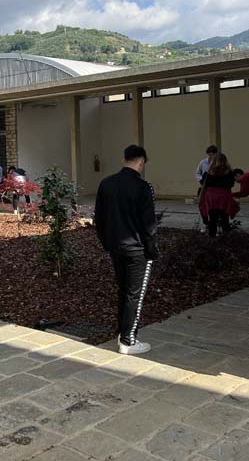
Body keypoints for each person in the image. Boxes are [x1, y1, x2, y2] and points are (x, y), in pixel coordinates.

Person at [94, 144, 158, 355]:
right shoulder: (143, 187)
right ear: (141, 162)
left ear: (124, 159)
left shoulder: (106, 184)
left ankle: (122, 332)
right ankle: (128, 340)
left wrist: (107, 243)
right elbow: (149, 224)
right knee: (134, 295)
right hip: (137, 249)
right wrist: (152, 249)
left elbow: (99, 219)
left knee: (124, 291)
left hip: (115, 247)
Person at [199, 153, 239, 237]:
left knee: (212, 220)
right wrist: (229, 168)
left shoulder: (208, 173)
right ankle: (225, 238)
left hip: (211, 198)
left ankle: (212, 238)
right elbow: (231, 184)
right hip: (224, 198)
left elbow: (203, 183)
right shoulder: (228, 173)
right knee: (225, 219)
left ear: (213, 161)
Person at [195, 145, 219, 229]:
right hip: (203, 187)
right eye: (209, 155)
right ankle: (205, 223)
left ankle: (214, 224)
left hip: (214, 189)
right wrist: (202, 180)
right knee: (202, 206)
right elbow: (197, 173)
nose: (210, 157)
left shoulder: (219, 163)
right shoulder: (203, 162)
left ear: (216, 154)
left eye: (212, 155)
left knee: (213, 208)